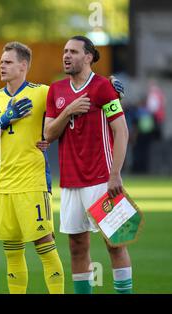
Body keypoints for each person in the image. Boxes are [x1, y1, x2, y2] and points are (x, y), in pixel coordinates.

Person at [44, 35, 132, 294]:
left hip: (102, 181)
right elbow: (48, 134)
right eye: (64, 51)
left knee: (115, 244)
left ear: (89, 57)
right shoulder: (56, 90)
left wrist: (115, 174)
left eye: (73, 51)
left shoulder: (104, 87)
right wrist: (68, 111)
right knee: (76, 246)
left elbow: (122, 132)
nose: (66, 56)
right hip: (70, 183)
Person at [0, 42, 64, 294]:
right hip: (5, 186)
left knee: (44, 244)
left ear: (23, 66)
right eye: (1, 62)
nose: (1, 66)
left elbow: (71, 105)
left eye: (7, 62)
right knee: (11, 250)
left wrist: (111, 91)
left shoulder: (43, 93)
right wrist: (4, 119)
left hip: (33, 182)